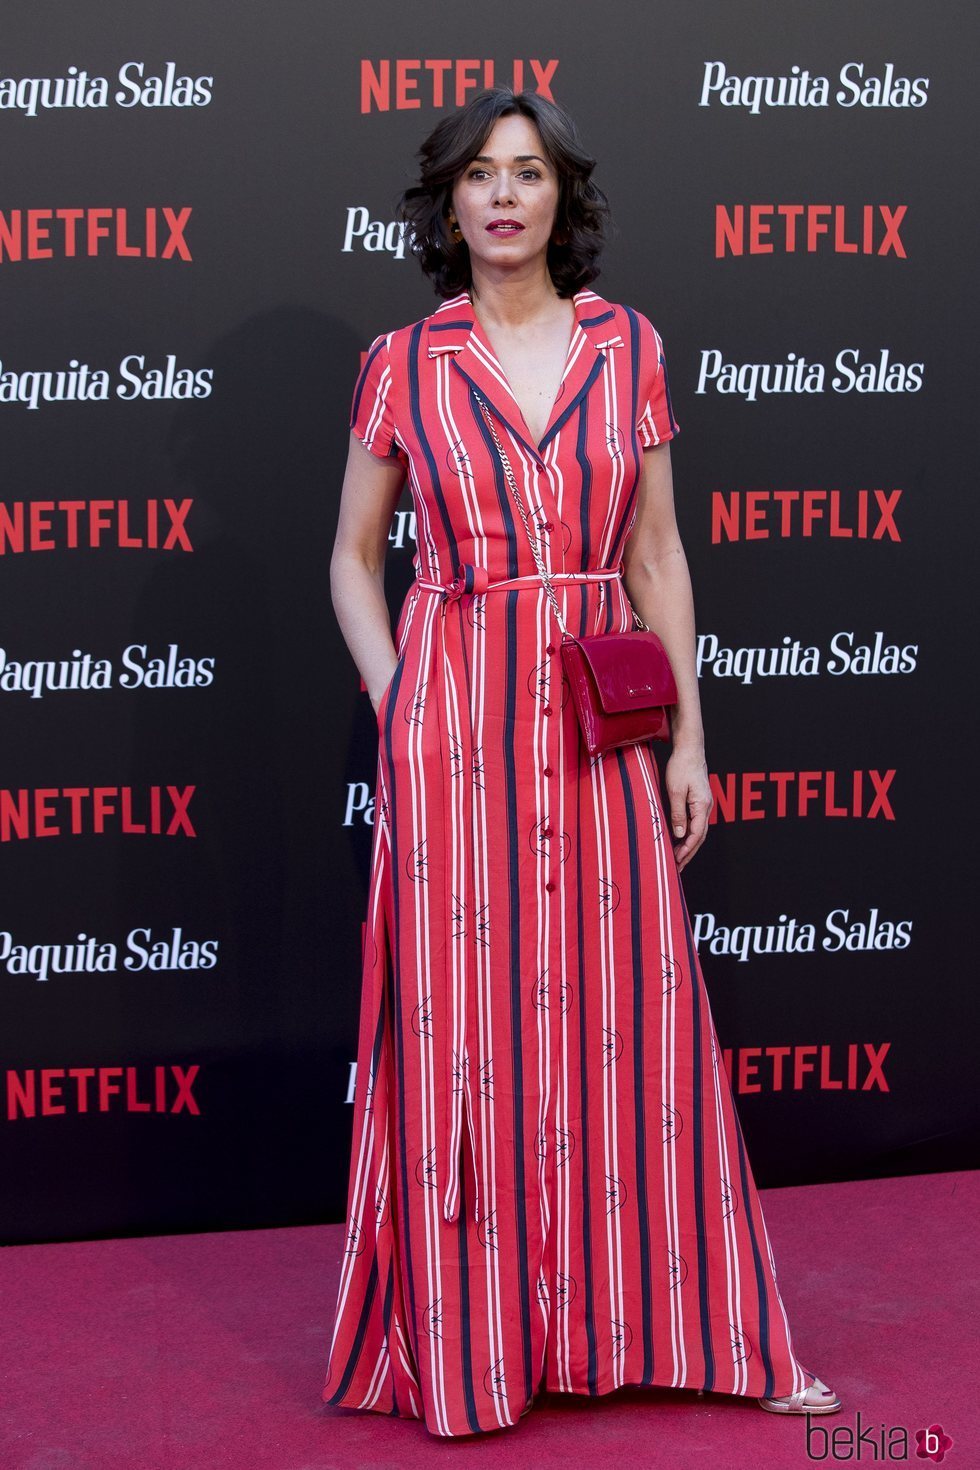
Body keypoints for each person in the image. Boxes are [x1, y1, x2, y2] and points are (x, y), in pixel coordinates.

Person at [323, 87, 840, 1438]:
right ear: (449, 203)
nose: (504, 196)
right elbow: (349, 556)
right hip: (455, 726)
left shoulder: (631, 346)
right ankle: (473, 1349)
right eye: (481, 175)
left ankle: (696, 1326)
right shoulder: (405, 362)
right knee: (463, 1040)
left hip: (599, 721)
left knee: (633, 1020)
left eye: (529, 172)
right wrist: (400, 702)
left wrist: (693, 737)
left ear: (564, 196)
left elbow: (658, 553)